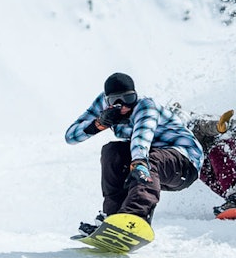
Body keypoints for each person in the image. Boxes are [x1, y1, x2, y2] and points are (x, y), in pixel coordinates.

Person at [65, 72, 205, 234]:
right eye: (115, 101)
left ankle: (135, 217)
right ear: (107, 100)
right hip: (151, 165)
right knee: (112, 152)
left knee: (149, 161)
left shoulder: (145, 106)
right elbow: (70, 136)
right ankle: (113, 218)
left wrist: (139, 162)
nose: (123, 106)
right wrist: (98, 123)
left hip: (184, 162)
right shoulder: (102, 104)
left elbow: (141, 138)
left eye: (129, 98)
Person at [170, 103, 236, 219]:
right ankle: (235, 198)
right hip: (220, 147)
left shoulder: (196, 123)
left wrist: (219, 127)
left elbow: (208, 126)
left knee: (216, 151)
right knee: (200, 169)